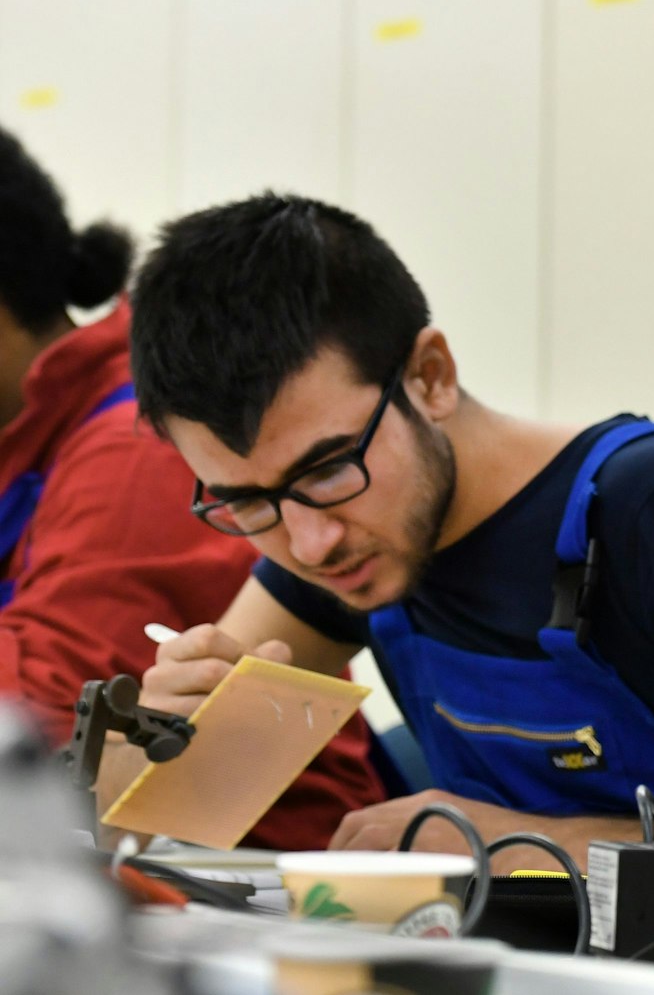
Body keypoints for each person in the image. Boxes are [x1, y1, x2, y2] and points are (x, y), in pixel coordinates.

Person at [109, 194, 654, 862]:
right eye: (247, 503)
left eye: (331, 468)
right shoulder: (347, 547)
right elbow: (153, 828)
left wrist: (530, 845)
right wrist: (152, 737)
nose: (309, 545)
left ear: (430, 377)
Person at [0, 130, 380, 849]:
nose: (313, 535)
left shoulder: (134, 447)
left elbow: (28, 723)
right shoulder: (32, 438)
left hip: (259, 878)